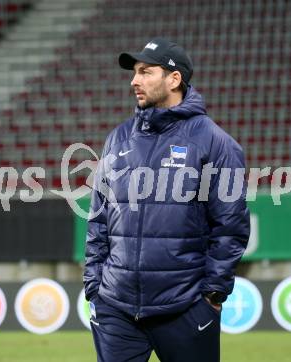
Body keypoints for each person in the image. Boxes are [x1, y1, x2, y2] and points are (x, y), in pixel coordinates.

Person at [84, 37, 250, 362]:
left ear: (174, 79)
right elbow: (99, 219)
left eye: (146, 71)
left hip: (185, 308)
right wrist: (95, 286)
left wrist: (212, 295)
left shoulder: (215, 143)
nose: (134, 80)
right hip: (116, 308)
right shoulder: (117, 139)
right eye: (134, 72)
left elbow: (230, 227)